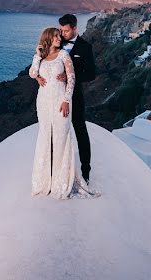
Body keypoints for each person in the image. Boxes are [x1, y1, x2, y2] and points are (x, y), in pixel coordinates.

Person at [29, 27, 98, 199]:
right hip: (44, 102)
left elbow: (72, 79)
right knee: (45, 137)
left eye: (60, 36)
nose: (59, 39)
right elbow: (32, 73)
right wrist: (37, 56)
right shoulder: (41, 57)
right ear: (48, 38)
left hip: (61, 101)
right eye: (56, 36)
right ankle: (45, 180)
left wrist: (67, 100)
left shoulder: (64, 56)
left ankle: (61, 181)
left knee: (61, 138)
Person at [58, 13, 95, 183]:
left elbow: (91, 74)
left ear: (74, 28)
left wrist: (70, 76)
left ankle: (85, 170)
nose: (63, 33)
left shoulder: (85, 47)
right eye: (61, 30)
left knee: (80, 131)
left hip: (75, 96)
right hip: (56, 95)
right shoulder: (57, 42)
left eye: (66, 31)